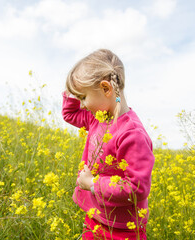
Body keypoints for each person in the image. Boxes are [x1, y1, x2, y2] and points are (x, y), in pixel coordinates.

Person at [62, 49, 154, 240]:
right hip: (94, 218)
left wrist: (93, 184)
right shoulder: (98, 118)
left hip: (123, 228)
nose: (83, 105)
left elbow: (137, 188)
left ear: (106, 89)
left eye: (83, 97)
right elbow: (70, 115)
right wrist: (71, 91)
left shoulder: (132, 133)